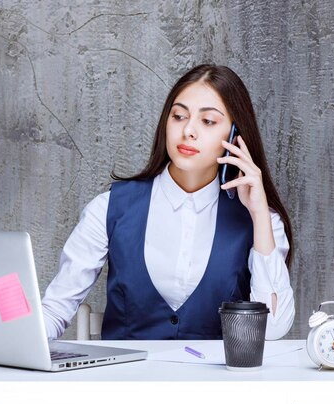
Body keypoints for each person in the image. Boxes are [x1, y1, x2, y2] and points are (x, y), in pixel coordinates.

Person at [41, 64, 295, 340]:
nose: (188, 130)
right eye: (179, 116)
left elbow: (272, 330)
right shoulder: (109, 209)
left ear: (235, 135)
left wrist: (258, 214)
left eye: (208, 121)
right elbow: (55, 310)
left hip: (216, 383)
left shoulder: (260, 221)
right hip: (125, 382)